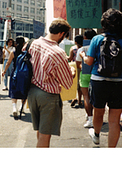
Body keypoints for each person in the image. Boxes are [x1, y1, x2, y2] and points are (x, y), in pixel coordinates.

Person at [81, 9, 122, 147]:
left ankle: (96, 136)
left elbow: (90, 62)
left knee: (98, 112)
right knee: (114, 121)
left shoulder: (97, 39)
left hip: (99, 81)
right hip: (120, 82)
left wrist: (83, 57)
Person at [27, 18, 75, 147]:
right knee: (45, 135)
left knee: (40, 131)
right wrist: (72, 71)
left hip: (32, 92)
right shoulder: (58, 52)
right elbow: (67, 82)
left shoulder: (34, 43)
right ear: (61, 34)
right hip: (48, 95)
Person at [76, 29, 97, 128]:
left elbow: (78, 65)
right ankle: (95, 118)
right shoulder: (98, 47)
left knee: (86, 97)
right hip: (96, 74)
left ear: (84, 38)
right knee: (95, 97)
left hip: (84, 74)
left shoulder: (81, 49)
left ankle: (89, 119)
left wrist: (85, 66)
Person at [2, 36, 26, 119]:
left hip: (15, 72)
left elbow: (8, 63)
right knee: (24, 89)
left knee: (14, 90)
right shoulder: (26, 52)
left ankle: (14, 108)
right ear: (23, 43)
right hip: (24, 74)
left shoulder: (13, 52)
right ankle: (21, 107)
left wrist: (4, 71)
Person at [68, 35, 83, 107]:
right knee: (80, 84)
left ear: (76, 41)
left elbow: (70, 58)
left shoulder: (73, 48)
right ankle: (80, 100)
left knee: (74, 83)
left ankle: (74, 97)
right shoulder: (84, 49)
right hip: (82, 66)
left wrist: (65, 56)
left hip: (74, 66)